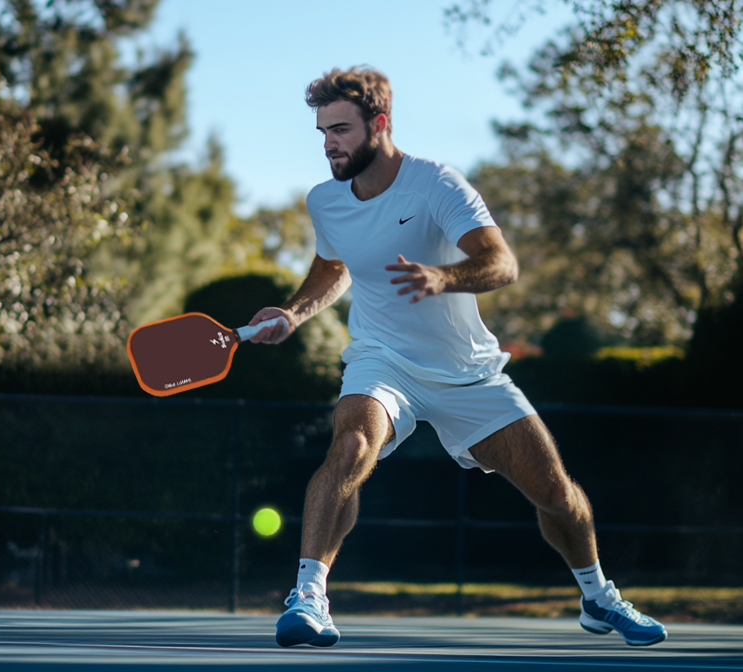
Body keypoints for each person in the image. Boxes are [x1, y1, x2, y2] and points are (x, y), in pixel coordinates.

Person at [246, 67, 667, 649]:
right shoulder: (327, 200)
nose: (329, 144)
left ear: (380, 123)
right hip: (381, 359)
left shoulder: (436, 185)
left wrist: (443, 277)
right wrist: (292, 313)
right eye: (322, 132)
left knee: (553, 491)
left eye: (340, 129)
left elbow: (501, 263)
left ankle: (598, 597)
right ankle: (309, 596)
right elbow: (333, 266)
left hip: (465, 371)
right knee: (350, 445)